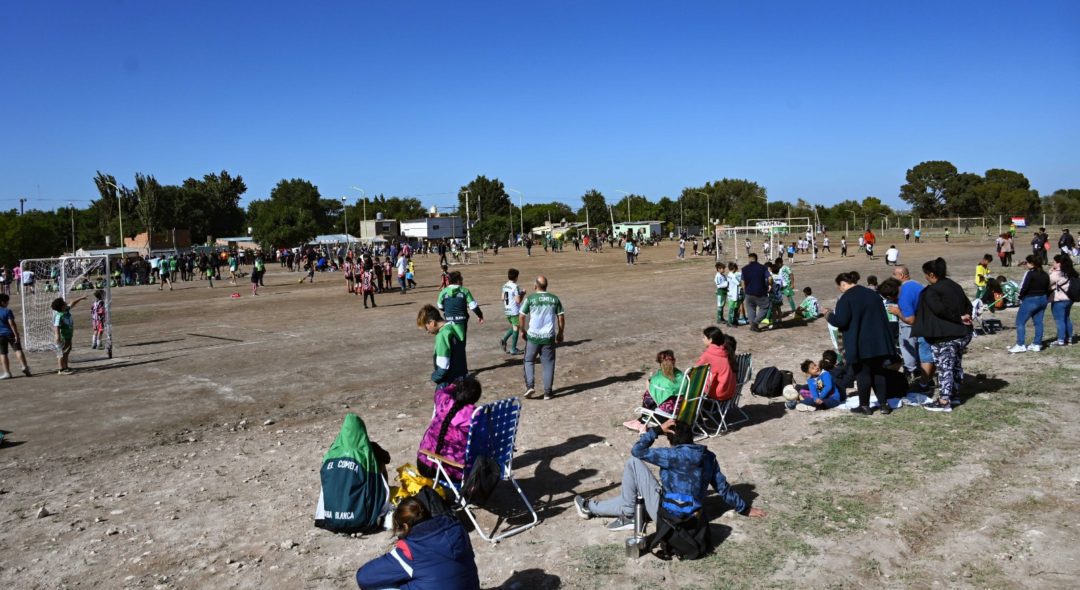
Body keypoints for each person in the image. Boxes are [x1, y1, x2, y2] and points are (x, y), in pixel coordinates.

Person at [574, 419, 765, 532]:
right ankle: (592, 507)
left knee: (633, 465)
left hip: (666, 515)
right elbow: (723, 488)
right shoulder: (708, 457)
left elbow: (637, 451)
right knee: (635, 499)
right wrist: (744, 509)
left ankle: (626, 515)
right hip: (691, 516)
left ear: (671, 439)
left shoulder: (671, 455)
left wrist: (656, 430)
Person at [355, 496, 480, 590]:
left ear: (404, 526)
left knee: (381, 585)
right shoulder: (457, 529)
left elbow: (363, 578)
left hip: (411, 559)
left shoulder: (411, 549)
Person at [823, 272, 895, 415]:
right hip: (879, 342)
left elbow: (841, 321)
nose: (840, 290)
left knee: (863, 374)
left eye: (839, 287)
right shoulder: (873, 294)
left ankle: (864, 406)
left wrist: (828, 315)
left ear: (843, 284)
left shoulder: (846, 298)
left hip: (860, 343)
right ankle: (883, 405)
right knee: (879, 373)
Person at [911, 258, 974, 412]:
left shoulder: (933, 291)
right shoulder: (954, 286)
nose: (925, 277)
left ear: (932, 274)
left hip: (945, 336)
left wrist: (957, 318)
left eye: (926, 274)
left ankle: (944, 400)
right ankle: (955, 395)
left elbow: (939, 310)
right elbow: (968, 305)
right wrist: (964, 317)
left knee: (945, 367)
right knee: (956, 365)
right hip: (962, 334)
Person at [416, 375, 482, 480]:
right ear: (476, 397)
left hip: (426, 464)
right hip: (455, 471)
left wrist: (452, 386)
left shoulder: (443, 402)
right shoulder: (476, 415)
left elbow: (440, 392)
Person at [519, 275, 564, 400]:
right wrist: (560, 332)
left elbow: (521, 315)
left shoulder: (530, 299)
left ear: (535, 286)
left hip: (533, 336)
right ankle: (547, 392)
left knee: (528, 361)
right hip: (548, 337)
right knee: (548, 364)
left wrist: (522, 330)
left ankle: (530, 386)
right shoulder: (554, 299)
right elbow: (560, 316)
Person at [417, 305, 467, 388]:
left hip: (449, 383)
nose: (427, 332)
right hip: (461, 378)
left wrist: (434, 377)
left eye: (426, 327)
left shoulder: (442, 335)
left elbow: (443, 366)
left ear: (432, 323)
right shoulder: (454, 327)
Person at [1009, 255, 1050, 353]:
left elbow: (1024, 287)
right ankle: (1037, 344)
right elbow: (1047, 287)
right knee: (1038, 322)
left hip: (1031, 299)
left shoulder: (1030, 274)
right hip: (1043, 299)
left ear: (1032, 263)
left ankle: (1020, 344)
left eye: (1027, 263)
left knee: (1020, 322)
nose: (1026, 264)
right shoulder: (1045, 274)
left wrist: (1020, 297)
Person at [437, 271, 484, 339]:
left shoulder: (443, 292)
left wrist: (448, 310)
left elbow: (440, 306)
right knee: (461, 341)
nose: (462, 281)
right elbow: (473, 306)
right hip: (462, 320)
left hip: (448, 320)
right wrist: (480, 315)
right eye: (461, 279)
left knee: (450, 340)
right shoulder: (465, 291)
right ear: (458, 280)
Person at [696, 326, 736, 402]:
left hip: (719, 393)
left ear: (710, 340)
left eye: (704, 337)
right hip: (730, 391)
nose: (702, 339)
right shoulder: (726, 352)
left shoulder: (708, 355)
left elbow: (696, 372)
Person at [52, 295, 88, 375]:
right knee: (61, 352)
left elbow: (72, 303)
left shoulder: (66, 310)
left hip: (68, 336)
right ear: (61, 307)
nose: (66, 303)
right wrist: (57, 336)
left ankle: (65, 367)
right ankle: (61, 369)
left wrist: (80, 298)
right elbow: (56, 326)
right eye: (64, 303)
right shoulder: (59, 315)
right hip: (63, 337)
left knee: (67, 351)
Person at [0, 293, 31, 378]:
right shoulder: (7, 311)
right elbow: (12, 324)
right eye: (7, 302)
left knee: (3, 353)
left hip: (0, 335)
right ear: (3, 302)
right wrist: (16, 334)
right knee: (17, 349)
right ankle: (24, 366)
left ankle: (7, 372)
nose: (8, 303)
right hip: (10, 333)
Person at [1049, 254, 1077, 347]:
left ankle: (1060, 340)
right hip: (1069, 299)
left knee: (1059, 320)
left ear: (1059, 263)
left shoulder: (1056, 273)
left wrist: (1051, 272)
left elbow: (1048, 283)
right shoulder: (1070, 272)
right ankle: (1069, 338)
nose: (1053, 263)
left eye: (1054, 262)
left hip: (1059, 299)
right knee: (1067, 318)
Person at [499, 268, 525, 355]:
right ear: (516, 277)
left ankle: (504, 340)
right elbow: (518, 301)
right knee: (516, 328)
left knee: (515, 327)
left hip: (507, 310)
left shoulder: (505, 285)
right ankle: (513, 349)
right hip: (514, 310)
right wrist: (522, 294)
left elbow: (502, 298)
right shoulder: (515, 286)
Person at [741, 254, 770, 332]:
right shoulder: (763, 268)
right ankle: (755, 323)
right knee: (765, 307)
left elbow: (742, 282)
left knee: (750, 309)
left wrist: (745, 292)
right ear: (756, 259)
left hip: (749, 292)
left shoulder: (744, 269)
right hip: (760, 292)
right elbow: (770, 278)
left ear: (749, 259)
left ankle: (752, 325)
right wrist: (769, 285)